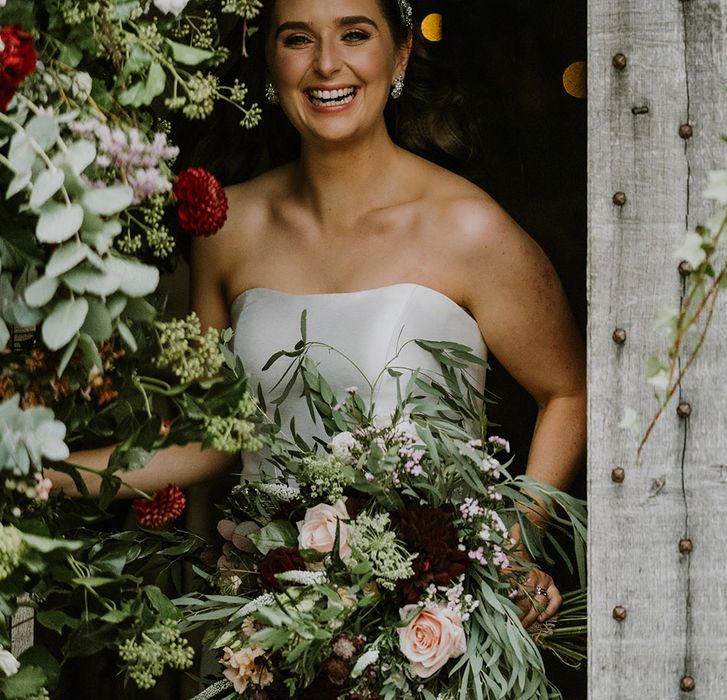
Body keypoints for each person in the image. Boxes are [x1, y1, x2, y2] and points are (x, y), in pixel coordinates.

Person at [55, 0, 586, 629]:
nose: (327, 65)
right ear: (269, 59)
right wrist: (38, 476)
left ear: (402, 53)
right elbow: (214, 437)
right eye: (299, 39)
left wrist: (514, 540)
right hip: (275, 627)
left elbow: (567, 391)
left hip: (436, 626)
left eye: (354, 35)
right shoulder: (229, 230)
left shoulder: (470, 229)